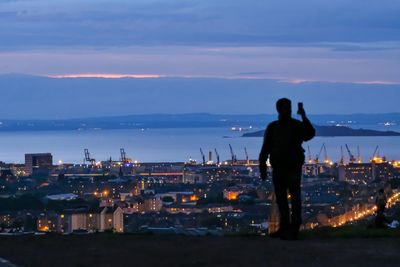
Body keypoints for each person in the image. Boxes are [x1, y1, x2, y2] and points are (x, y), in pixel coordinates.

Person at [259, 98, 315, 240]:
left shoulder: (297, 126)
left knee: (295, 197)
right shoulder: (272, 127)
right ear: (278, 109)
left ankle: (294, 228)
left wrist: (303, 116)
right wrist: (262, 167)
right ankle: (284, 227)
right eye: (285, 108)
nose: (288, 111)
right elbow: (265, 148)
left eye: (289, 108)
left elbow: (310, 134)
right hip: (278, 167)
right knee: (281, 199)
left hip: (293, 167)